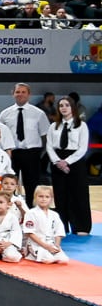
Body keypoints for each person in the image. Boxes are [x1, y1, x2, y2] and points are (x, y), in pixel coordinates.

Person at [0, 83, 49, 209]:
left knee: (32, 184)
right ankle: (10, 210)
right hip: (11, 153)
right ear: (13, 94)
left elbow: (45, 135)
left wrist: (40, 153)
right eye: (17, 92)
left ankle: (32, 211)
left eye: (23, 92)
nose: (20, 94)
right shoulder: (5, 114)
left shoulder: (39, 113)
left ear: (29, 94)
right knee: (9, 184)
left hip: (32, 152)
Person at [46, 96, 90, 235]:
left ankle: (81, 227)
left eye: (67, 105)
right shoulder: (54, 126)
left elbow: (83, 148)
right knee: (60, 195)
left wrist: (67, 162)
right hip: (57, 161)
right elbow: (49, 146)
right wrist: (57, 161)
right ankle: (62, 226)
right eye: (61, 105)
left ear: (72, 107)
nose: (64, 108)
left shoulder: (81, 125)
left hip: (75, 162)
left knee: (78, 194)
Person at [23, 186, 69, 263]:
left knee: (64, 260)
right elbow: (29, 233)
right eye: (41, 196)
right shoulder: (31, 213)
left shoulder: (54, 214)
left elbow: (59, 231)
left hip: (51, 243)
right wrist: (45, 246)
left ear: (51, 199)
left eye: (47, 197)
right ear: (35, 198)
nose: (44, 199)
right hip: (37, 244)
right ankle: (31, 254)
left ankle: (50, 253)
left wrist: (57, 245)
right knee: (48, 259)